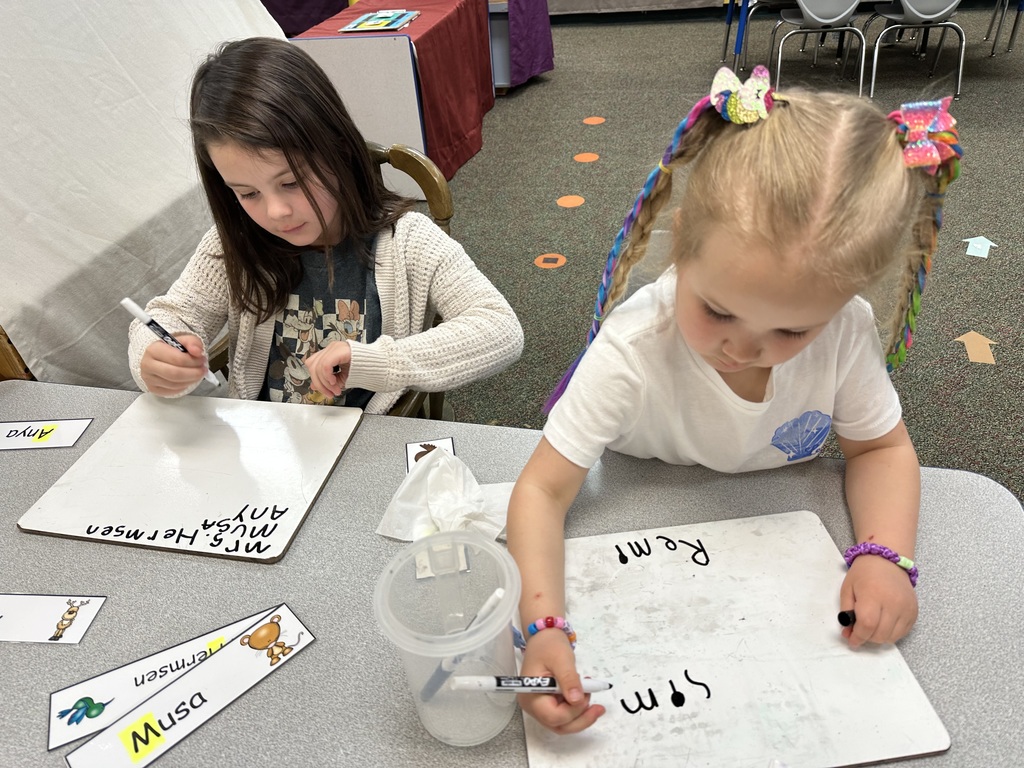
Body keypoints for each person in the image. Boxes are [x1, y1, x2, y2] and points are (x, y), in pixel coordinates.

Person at [505, 66, 962, 735]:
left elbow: (881, 449)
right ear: (684, 245)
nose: (745, 349)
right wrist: (542, 626)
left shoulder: (844, 331)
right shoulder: (635, 346)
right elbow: (541, 492)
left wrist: (885, 554)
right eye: (718, 310)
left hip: (775, 521)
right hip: (640, 499)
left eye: (792, 330)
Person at [128, 37, 522, 413]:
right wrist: (153, 354)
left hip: (366, 442)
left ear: (337, 149)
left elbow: (499, 330)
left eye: (292, 182)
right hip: (268, 444)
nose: (277, 211)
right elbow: (172, 316)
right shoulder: (232, 244)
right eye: (248, 194)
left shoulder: (408, 241)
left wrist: (380, 361)